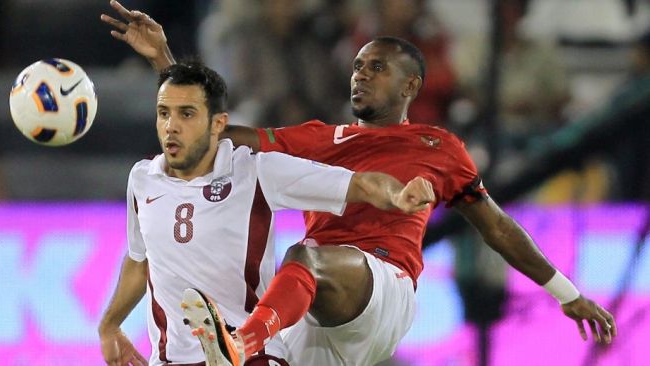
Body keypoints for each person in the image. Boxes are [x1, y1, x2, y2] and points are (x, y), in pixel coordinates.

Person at [101, 2, 617, 365]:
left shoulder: (438, 148)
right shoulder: (318, 138)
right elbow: (210, 131)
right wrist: (164, 62)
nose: (360, 75)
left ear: (410, 85)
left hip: (381, 290)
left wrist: (565, 292)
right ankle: (247, 347)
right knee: (300, 276)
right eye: (357, 65)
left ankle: (241, 343)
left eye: (377, 68)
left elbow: (498, 228)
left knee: (303, 255)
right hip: (308, 311)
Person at [97, 60, 434, 366]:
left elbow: (359, 185)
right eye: (163, 113)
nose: (171, 126)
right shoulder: (142, 179)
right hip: (170, 359)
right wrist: (110, 325)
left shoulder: (255, 171)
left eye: (186, 114)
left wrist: (399, 194)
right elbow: (140, 262)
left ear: (218, 125)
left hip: (253, 359)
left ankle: (238, 343)